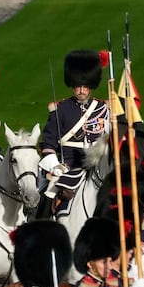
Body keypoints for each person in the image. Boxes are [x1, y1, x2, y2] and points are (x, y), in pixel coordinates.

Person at [39, 49, 109, 217]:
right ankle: (39, 227)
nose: (82, 91)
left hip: (99, 164)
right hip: (68, 165)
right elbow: (48, 144)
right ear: (72, 85)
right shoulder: (60, 109)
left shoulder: (104, 108)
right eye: (78, 86)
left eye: (85, 86)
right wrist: (54, 166)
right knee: (50, 190)